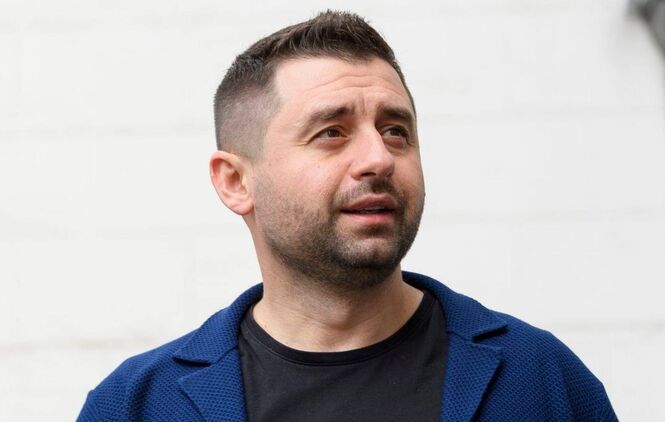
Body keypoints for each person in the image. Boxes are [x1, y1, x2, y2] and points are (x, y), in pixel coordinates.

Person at [77, 10, 617, 422]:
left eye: (395, 131)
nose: (379, 158)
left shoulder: (539, 380)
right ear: (236, 182)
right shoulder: (137, 405)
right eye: (331, 132)